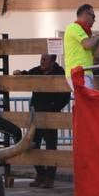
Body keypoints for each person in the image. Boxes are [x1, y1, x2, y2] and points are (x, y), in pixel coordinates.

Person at [24, 54, 70, 188]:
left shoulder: (60, 72)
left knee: (51, 146)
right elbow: (27, 74)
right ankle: (41, 174)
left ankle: (50, 178)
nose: (42, 62)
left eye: (45, 60)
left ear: (53, 61)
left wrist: (54, 108)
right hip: (36, 114)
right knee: (32, 145)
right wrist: (19, 73)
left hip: (51, 115)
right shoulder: (37, 70)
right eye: (41, 59)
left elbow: (65, 96)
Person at [63, 4, 99, 94]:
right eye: (93, 16)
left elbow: (96, 55)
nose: (94, 20)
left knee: (85, 103)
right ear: (85, 14)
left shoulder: (85, 33)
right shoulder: (73, 27)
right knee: (87, 102)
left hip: (84, 73)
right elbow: (88, 44)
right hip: (77, 73)